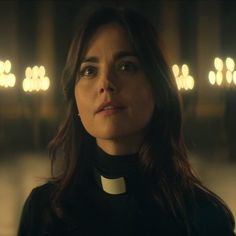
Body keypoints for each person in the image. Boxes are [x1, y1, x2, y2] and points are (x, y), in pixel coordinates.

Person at [18, 6, 236, 236]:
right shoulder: (45, 212)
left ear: (158, 87)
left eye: (126, 66)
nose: (106, 83)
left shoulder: (202, 218)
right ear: (75, 99)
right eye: (89, 71)